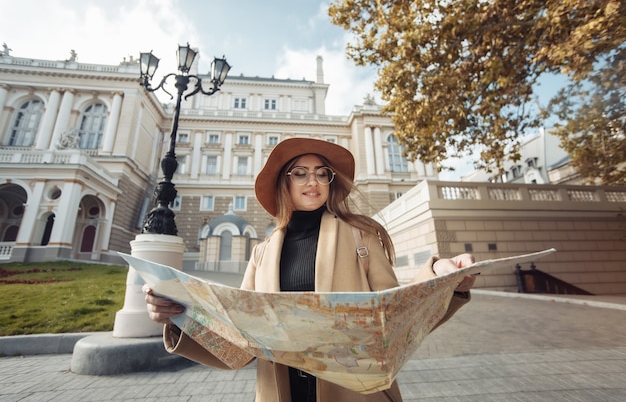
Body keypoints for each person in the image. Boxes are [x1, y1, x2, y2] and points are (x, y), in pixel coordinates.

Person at [144, 137, 476, 402]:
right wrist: (178, 316)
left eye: (321, 173)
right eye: (300, 173)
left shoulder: (362, 235)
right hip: (281, 391)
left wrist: (443, 278)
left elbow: (395, 313)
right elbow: (241, 339)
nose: (313, 180)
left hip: (353, 393)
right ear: (283, 184)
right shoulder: (261, 253)